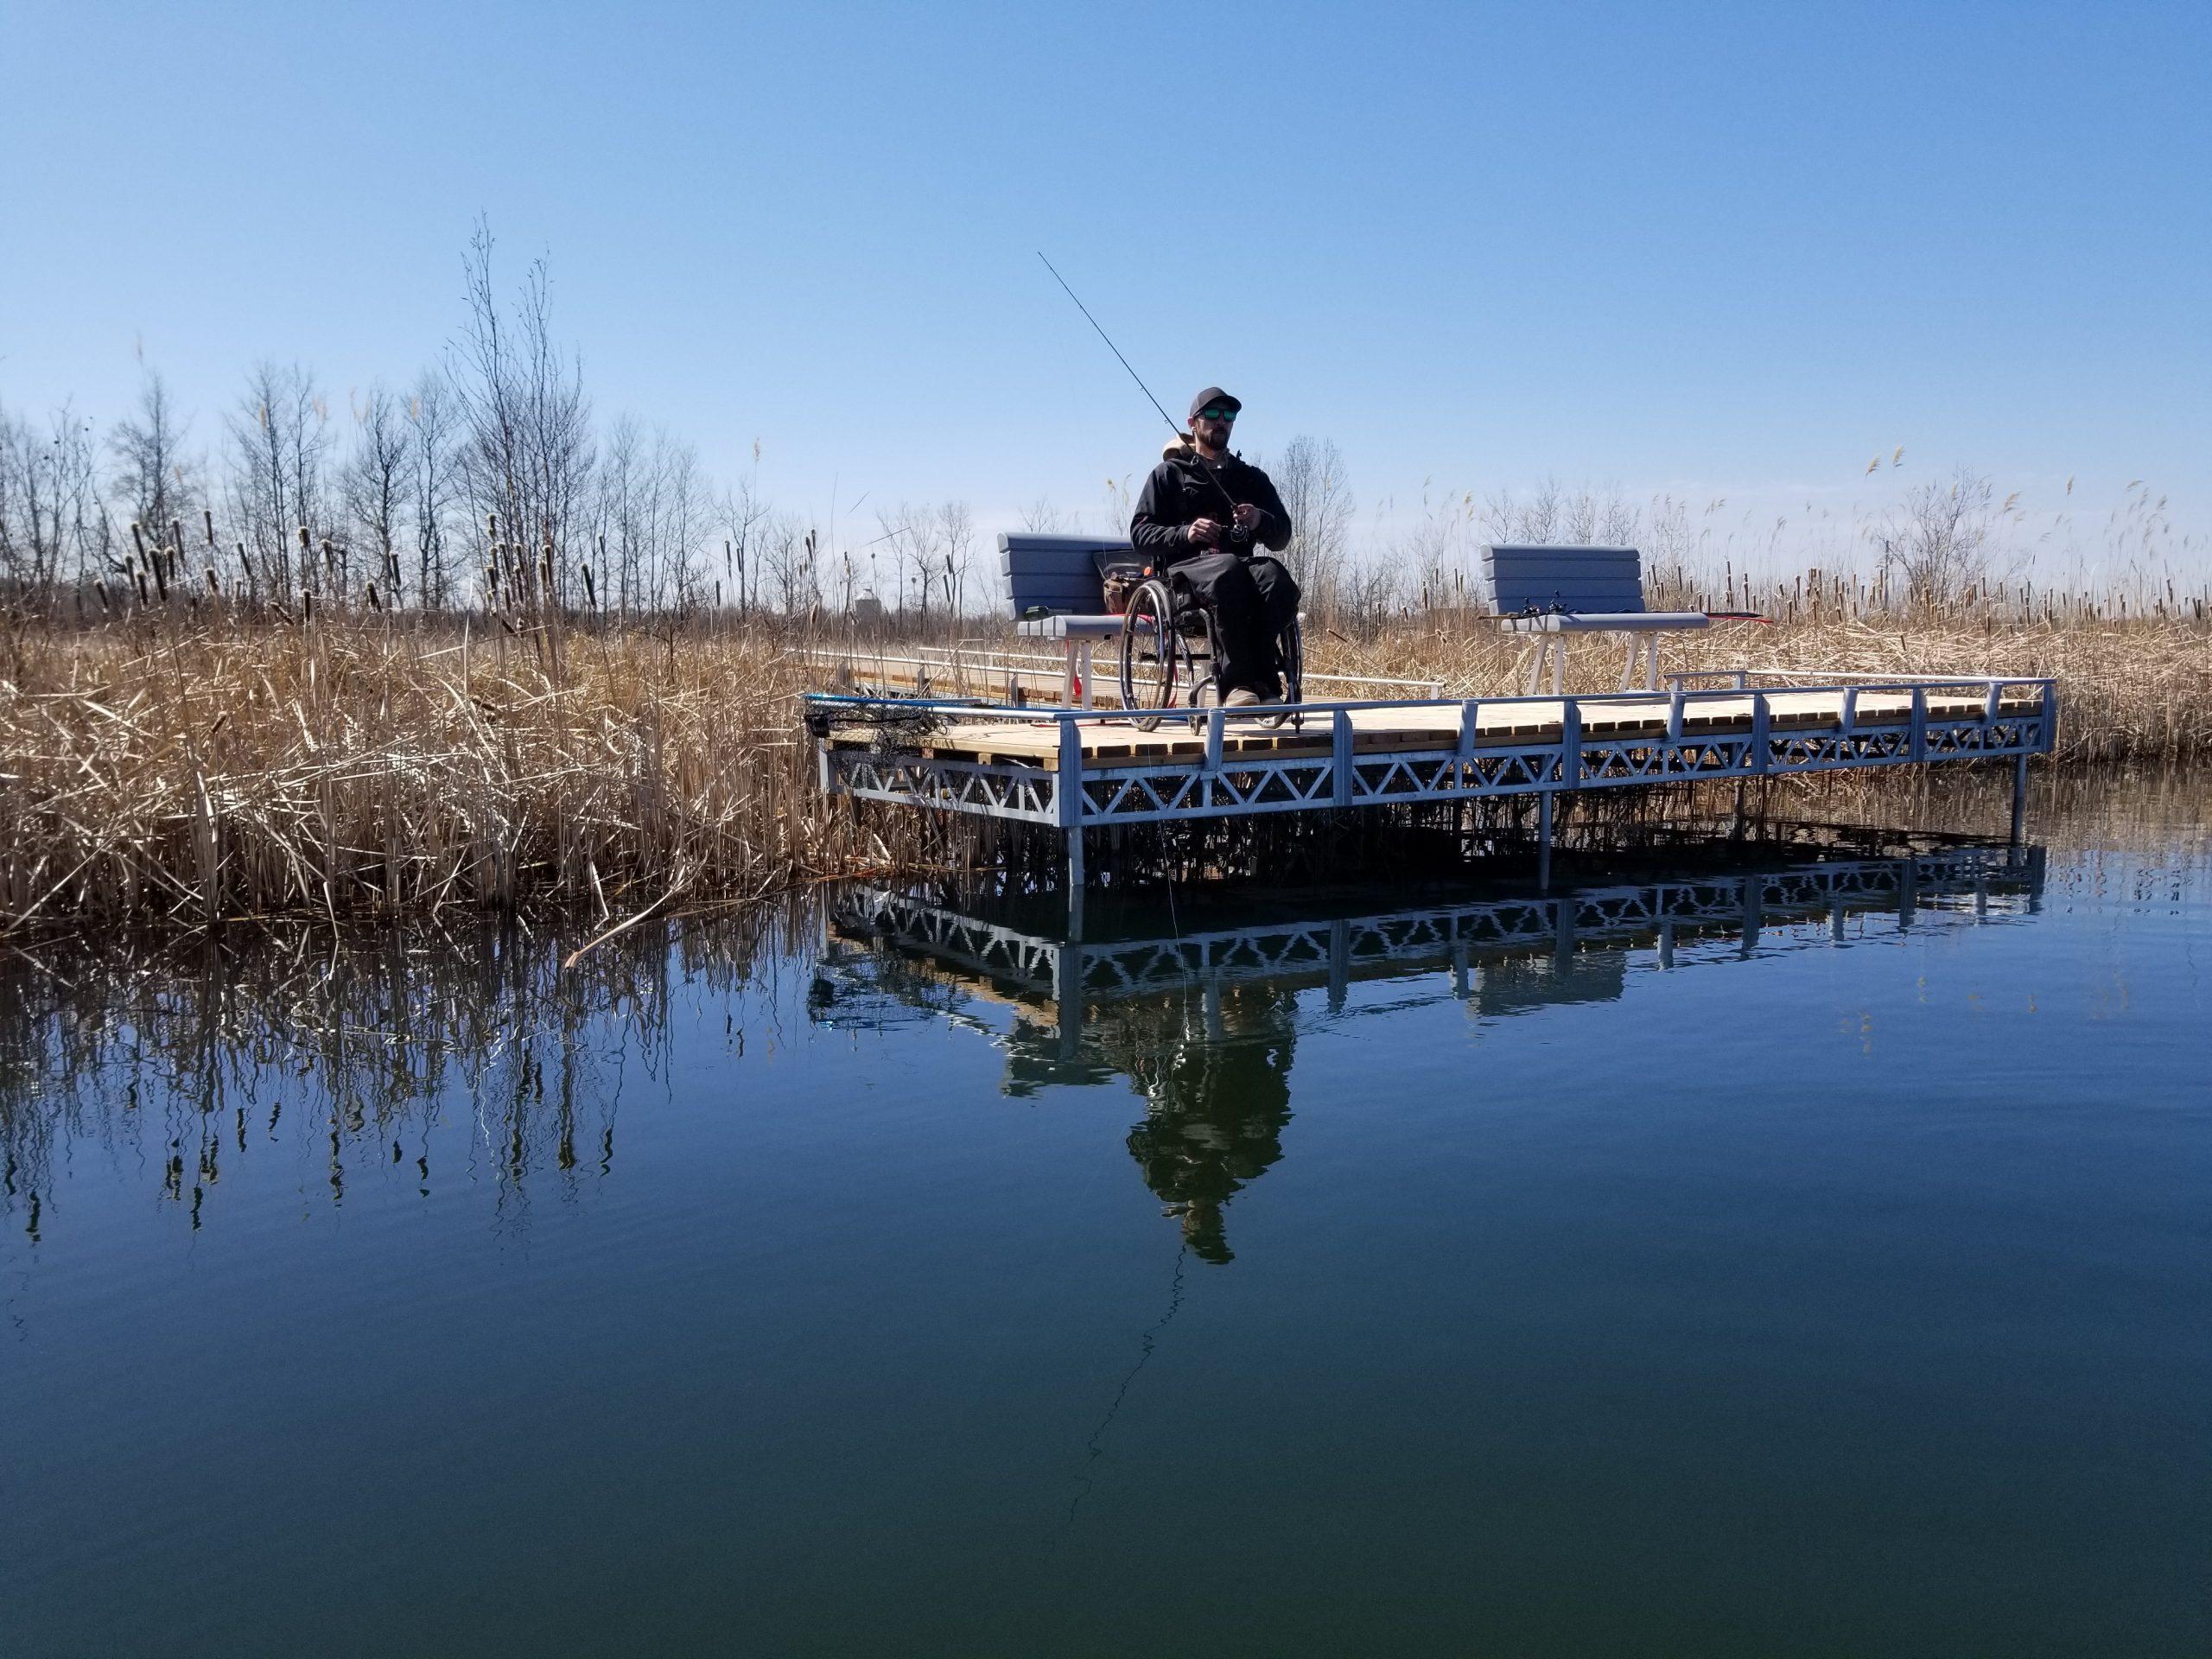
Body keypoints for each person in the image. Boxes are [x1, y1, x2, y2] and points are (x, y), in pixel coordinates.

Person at [1128, 387, 1300, 708]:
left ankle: (1264, 683)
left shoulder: (1251, 478)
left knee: (1276, 579)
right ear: (1193, 423)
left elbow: (1282, 537)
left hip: (1239, 569)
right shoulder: (1169, 475)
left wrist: (1260, 520)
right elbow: (1140, 534)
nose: (1220, 421)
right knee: (1227, 570)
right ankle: (1235, 686)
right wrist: (1185, 533)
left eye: (1228, 415)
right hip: (1184, 577)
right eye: (1211, 415)